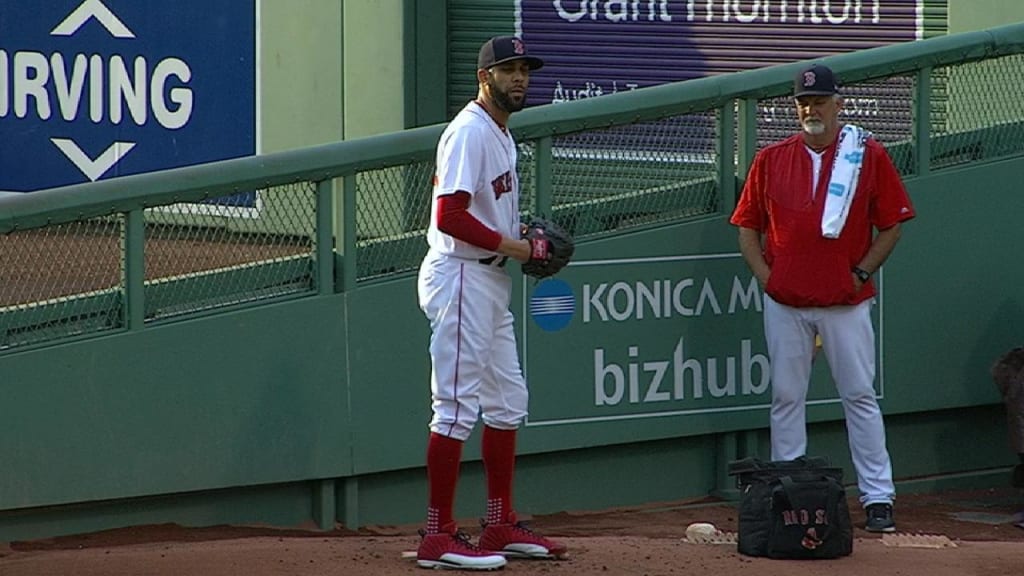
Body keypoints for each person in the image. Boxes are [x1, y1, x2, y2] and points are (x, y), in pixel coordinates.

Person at [729, 63, 916, 533]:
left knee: (858, 396)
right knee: (786, 397)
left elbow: (891, 223)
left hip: (844, 302)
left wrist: (860, 273)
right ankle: (788, 487)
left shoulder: (865, 154)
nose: (811, 109)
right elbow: (748, 226)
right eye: (803, 102)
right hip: (786, 302)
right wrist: (767, 277)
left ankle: (878, 497)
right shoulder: (771, 159)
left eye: (820, 101)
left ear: (839, 104)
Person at [414, 36, 568, 570]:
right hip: (460, 276)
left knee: (507, 402)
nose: (520, 78)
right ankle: (437, 535)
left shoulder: (501, 133)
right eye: (509, 70)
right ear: (485, 77)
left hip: (489, 279)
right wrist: (518, 246)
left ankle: (499, 523)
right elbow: (449, 217)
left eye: (525, 69)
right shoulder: (469, 133)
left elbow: (483, 209)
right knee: (455, 407)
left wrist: (516, 232)